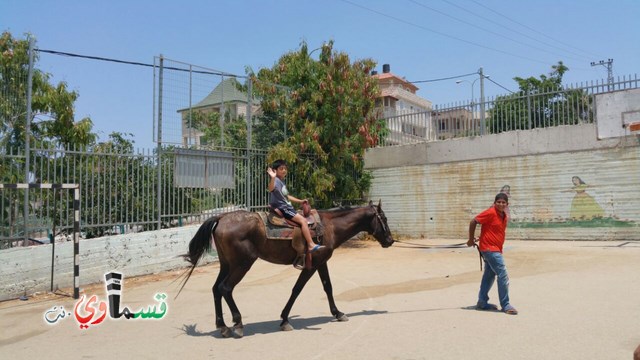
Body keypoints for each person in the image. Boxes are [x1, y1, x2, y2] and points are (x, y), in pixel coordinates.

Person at [467, 192, 518, 315]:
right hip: (490, 250)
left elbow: (493, 230)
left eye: (503, 202)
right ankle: (505, 304)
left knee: (489, 275)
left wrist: (482, 236)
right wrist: (470, 239)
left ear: (507, 204)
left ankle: (482, 302)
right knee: (503, 274)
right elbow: (473, 221)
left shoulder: (504, 216)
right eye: (498, 202)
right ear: (494, 203)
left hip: (495, 248)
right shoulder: (490, 212)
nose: (501, 204)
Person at [267, 159, 324, 256]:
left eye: (285, 168)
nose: (284, 170)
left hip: (286, 206)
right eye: (281, 168)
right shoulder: (276, 180)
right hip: (283, 208)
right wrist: (272, 177)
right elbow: (271, 188)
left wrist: (300, 201)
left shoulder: (282, 181)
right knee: (303, 221)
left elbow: (287, 196)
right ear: (275, 170)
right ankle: (310, 244)